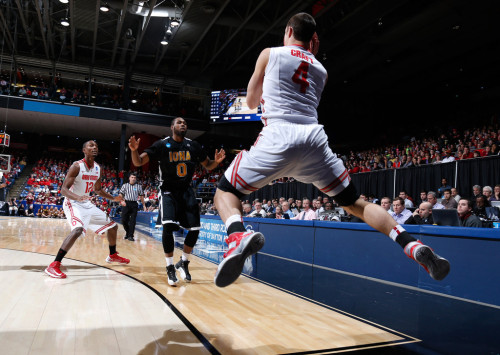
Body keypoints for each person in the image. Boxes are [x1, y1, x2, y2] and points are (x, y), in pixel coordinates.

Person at [212, 13, 450, 288]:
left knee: (225, 192)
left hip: (278, 134)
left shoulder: (270, 53)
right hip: (314, 140)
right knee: (356, 204)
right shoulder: (321, 70)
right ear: (313, 40)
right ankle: (410, 244)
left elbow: (252, 103)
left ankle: (237, 236)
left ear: (289, 30)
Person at [128, 117, 226, 286]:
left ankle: (184, 262)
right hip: (168, 190)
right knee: (168, 226)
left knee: (195, 229)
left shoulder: (193, 145)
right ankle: (169, 267)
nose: (183, 124)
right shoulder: (161, 144)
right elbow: (138, 162)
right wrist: (134, 151)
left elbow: (208, 165)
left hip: (186, 190)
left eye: (185, 123)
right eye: (179, 122)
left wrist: (215, 162)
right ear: (172, 127)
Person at [45, 140, 129, 279]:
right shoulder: (76, 166)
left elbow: (98, 190)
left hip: (87, 203)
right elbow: (63, 190)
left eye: (96, 146)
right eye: (91, 146)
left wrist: (114, 198)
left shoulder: (97, 168)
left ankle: (112, 255)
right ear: (84, 150)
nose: (94, 147)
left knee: (113, 227)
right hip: (73, 202)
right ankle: (54, 265)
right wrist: (77, 198)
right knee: (77, 230)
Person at [119, 172, 146, 241]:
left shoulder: (138, 186)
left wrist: (144, 205)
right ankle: (128, 232)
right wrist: (121, 200)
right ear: (129, 178)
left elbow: (141, 196)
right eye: (132, 177)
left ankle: (131, 236)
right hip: (126, 203)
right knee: (124, 220)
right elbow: (121, 194)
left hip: (134, 204)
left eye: (134, 178)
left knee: (133, 221)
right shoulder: (125, 185)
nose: (133, 179)